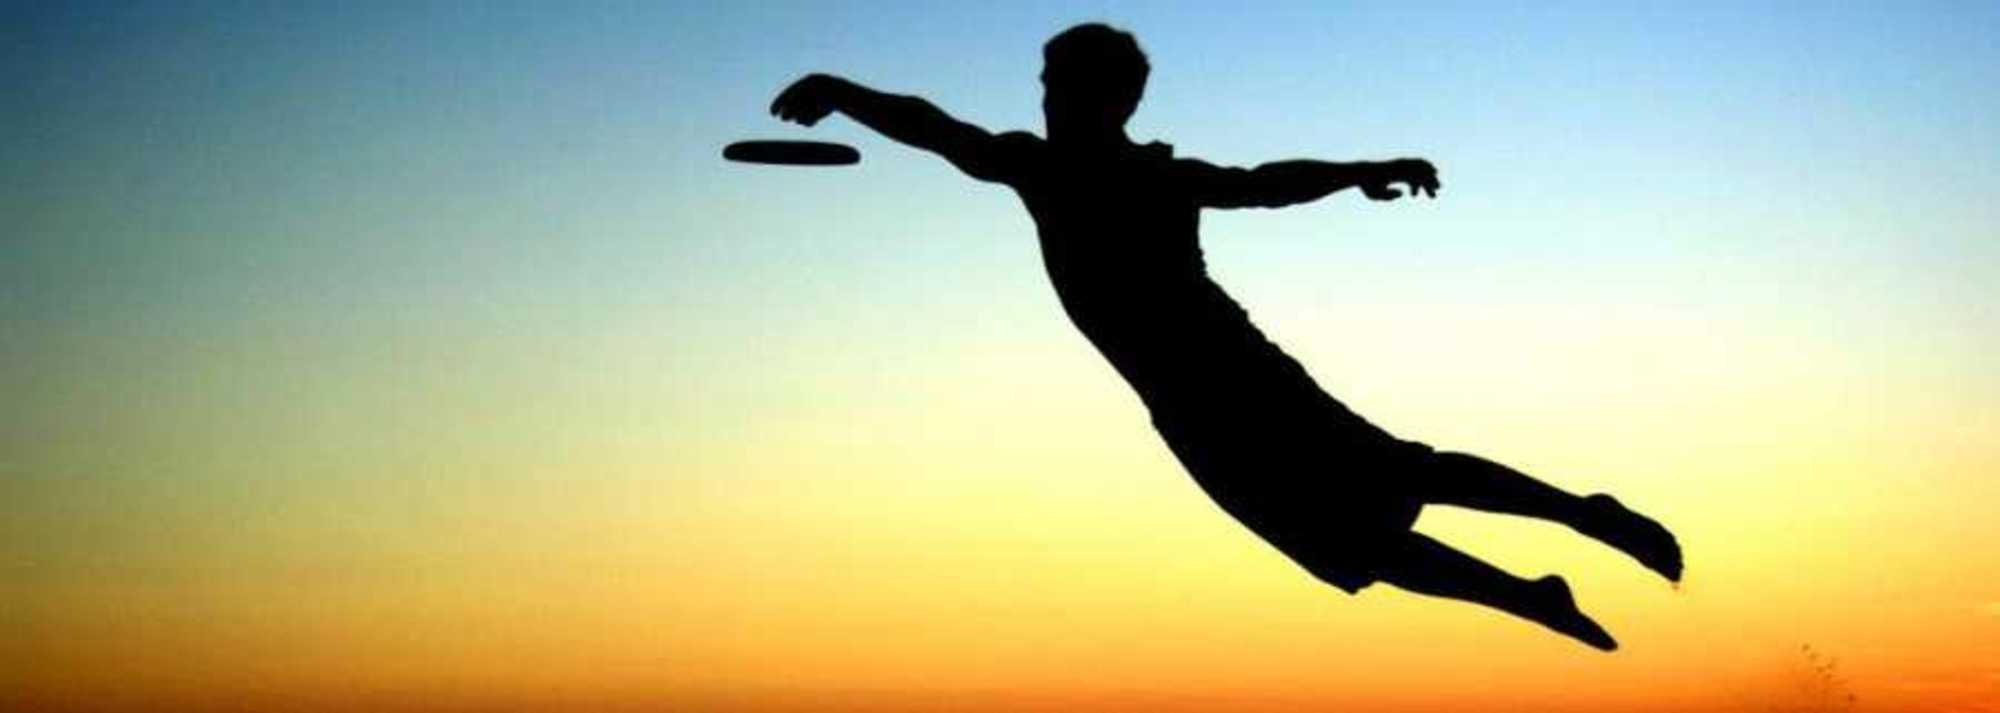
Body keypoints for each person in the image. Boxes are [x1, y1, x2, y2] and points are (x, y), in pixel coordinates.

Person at [767, 22, 1680, 651]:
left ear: (1113, 99)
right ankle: (1531, 594)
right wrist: (843, 91)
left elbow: (1264, 183)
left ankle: (1583, 513)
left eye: (1063, 86)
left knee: (1399, 474)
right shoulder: (1039, 166)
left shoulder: (1126, 176)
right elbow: (933, 127)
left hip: (1234, 374)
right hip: (1183, 406)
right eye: (1044, 84)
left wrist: (1360, 169)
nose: (1047, 99)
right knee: (1349, 543)